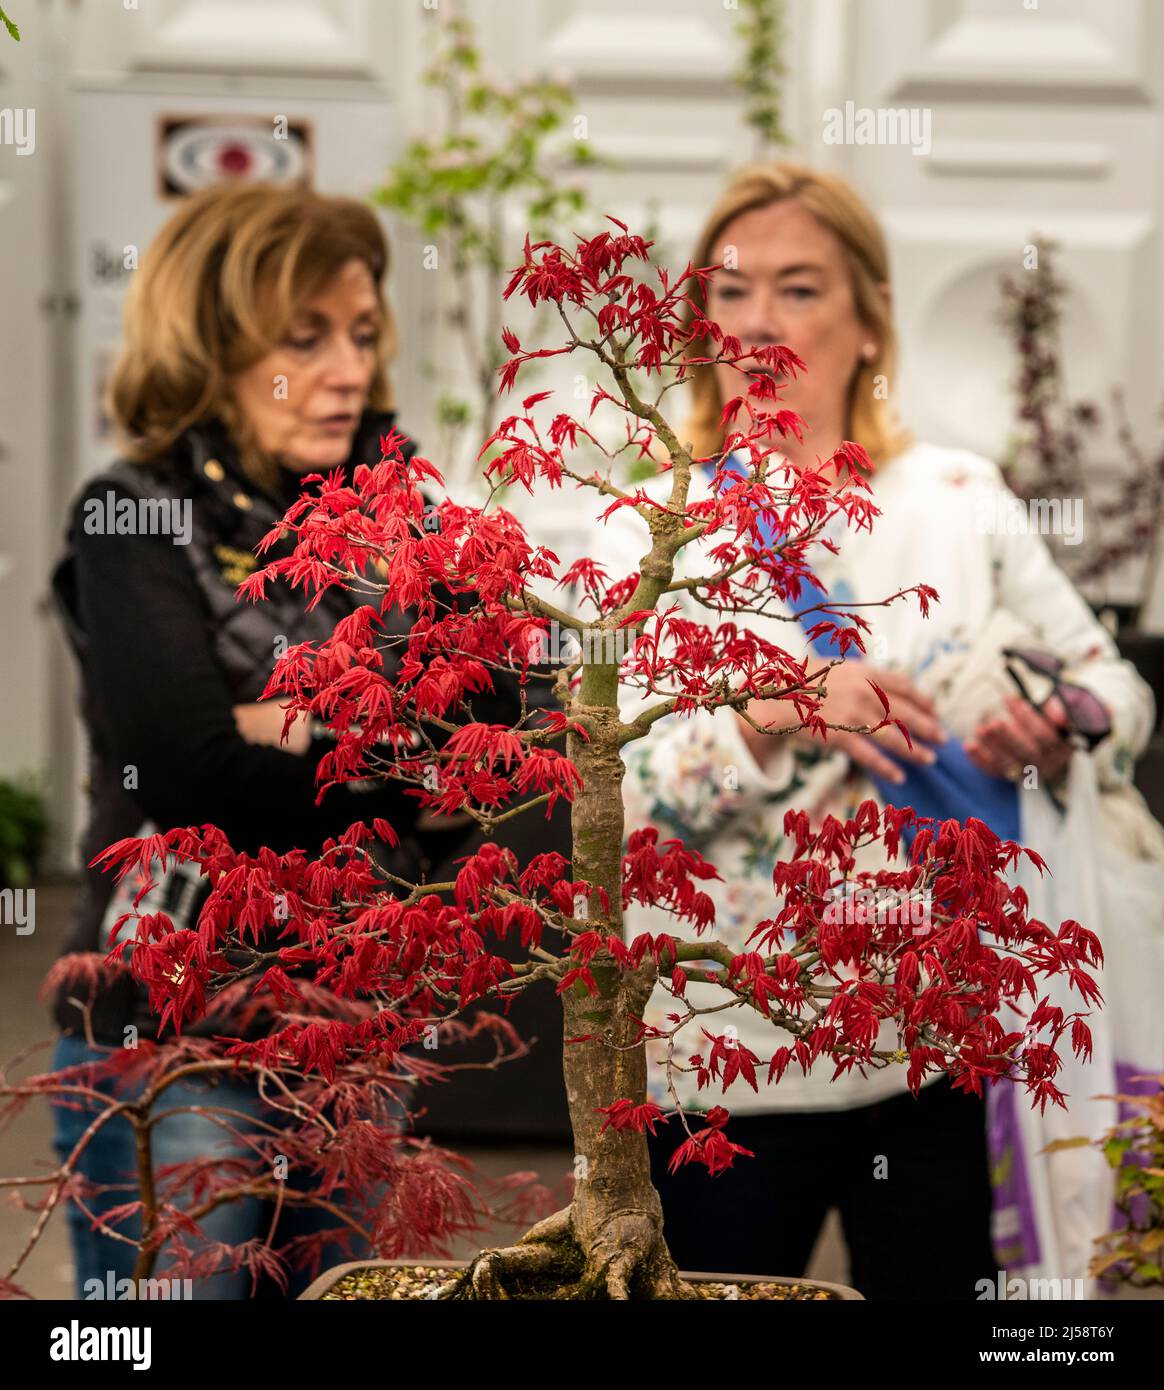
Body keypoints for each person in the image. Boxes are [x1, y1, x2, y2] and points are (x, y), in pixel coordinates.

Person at [592, 163, 1158, 1298]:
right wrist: (779, 708)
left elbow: (1114, 686)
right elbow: (620, 788)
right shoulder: (652, 523)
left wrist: (1061, 723)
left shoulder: (958, 498)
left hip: (943, 1043)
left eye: (799, 288)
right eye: (730, 291)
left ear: (869, 318)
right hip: (729, 1054)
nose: (759, 321)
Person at [49, 182, 496, 1298]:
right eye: (305, 338)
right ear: (212, 343)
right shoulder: (134, 511)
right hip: (172, 1034)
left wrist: (279, 727)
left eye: (361, 332)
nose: (348, 368)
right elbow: (190, 773)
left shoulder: (405, 514)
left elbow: (488, 746)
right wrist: (383, 743)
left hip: (359, 1028)